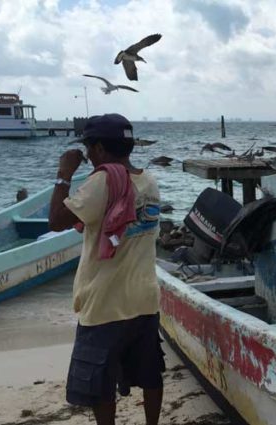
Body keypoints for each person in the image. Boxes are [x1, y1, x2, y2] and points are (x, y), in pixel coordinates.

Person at [48, 113, 163, 425]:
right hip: (144, 299)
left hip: (105, 303)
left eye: (88, 148)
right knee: (150, 373)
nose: (87, 155)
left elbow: (56, 220)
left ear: (98, 148)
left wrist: (64, 174)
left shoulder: (101, 181)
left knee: (100, 383)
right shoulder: (148, 181)